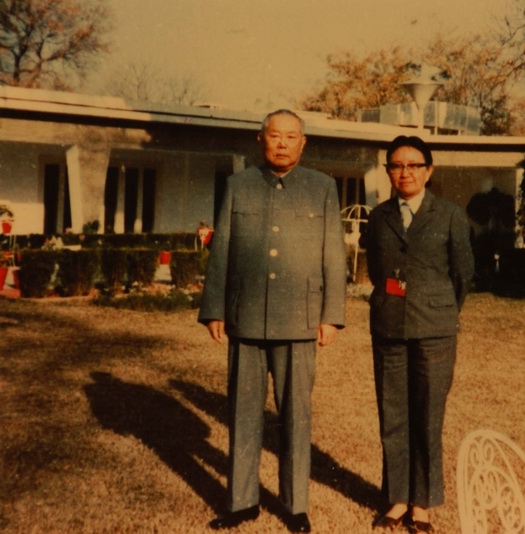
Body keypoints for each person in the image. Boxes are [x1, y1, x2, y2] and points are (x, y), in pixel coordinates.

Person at [198, 109, 347, 532]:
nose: (282, 143)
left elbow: (334, 255)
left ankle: (295, 504)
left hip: (300, 319)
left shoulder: (322, 187)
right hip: (245, 317)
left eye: (291, 137)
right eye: (275, 136)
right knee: (242, 413)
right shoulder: (238, 185)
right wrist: (214, 308)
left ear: (303, 143)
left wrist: (331, 316)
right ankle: (241, 501)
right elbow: (222, 249)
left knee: (296, 415)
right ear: (261, 139)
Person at [365, 135, 474, 532]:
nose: (405, 172)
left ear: (429, 171)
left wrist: (436, 309)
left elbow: (462, 274)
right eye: (397, 165)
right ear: (388, 171)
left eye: (414, 165)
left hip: (435, 329)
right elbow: (377, 271)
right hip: (390, 326)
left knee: (428, 415)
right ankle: (397, 499)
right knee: (393, 414)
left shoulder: (450, 215)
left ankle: (422, 504)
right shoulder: (379, 217)